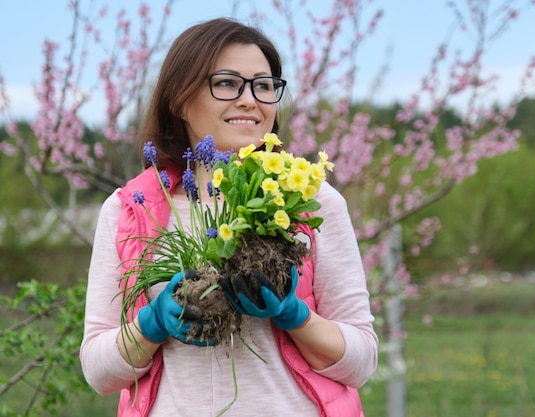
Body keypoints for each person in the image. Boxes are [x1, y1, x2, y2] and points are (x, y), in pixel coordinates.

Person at [80, 17, 378, 417]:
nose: (250, 100)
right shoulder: (130, 208)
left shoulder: (310, 200)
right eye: (226, 83)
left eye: (264, 85)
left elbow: (362, 362)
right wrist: (152, 324)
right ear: (179, 99)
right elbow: (99, 371)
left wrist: (295, 315)